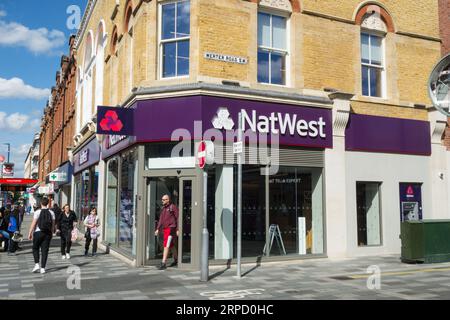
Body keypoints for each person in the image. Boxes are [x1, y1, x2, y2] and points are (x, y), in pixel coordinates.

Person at [28, 198, 55, 274]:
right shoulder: (52, 212)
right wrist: (52, 233)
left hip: (38, 232)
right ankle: (43, 268)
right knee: (45, 250)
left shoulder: (37, 212)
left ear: (41, 203)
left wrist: (30, 233)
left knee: (35, 248)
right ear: (47, 203)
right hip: (47, 233)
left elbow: (33, 223)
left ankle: (36, 264)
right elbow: (53, 225)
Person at [154, 194, 179, 270]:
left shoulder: (173, 207)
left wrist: (178, 229)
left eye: (164, 199)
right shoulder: (164, 208)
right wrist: (158, 229)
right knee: (171, 245)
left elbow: (178, 218)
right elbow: (161, 219)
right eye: (162, 199)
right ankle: (176, 259)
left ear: (168, 200)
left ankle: (163, 263)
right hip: (165, 229)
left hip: (171, 229)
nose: (162, 201)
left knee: (166, 245)